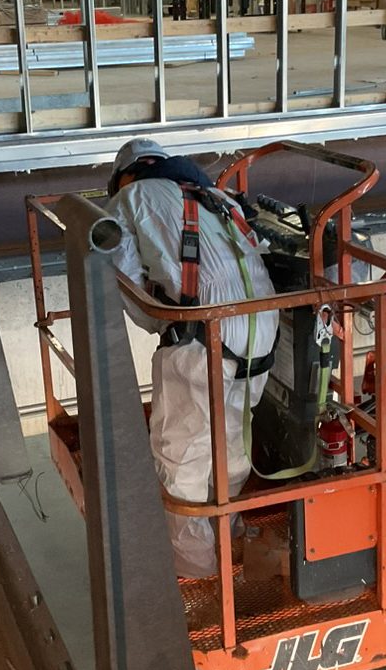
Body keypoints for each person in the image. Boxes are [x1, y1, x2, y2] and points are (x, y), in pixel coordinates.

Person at [106, 137, 278, 578]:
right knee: (233, 436)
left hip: (205, 330)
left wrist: (160, 319)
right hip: (262, 324)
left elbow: (131, 287)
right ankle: (230, 537)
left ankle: (196, 573)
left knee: (181, 455)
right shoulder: (219, 197)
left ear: (126, 176)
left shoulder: (132, 198)